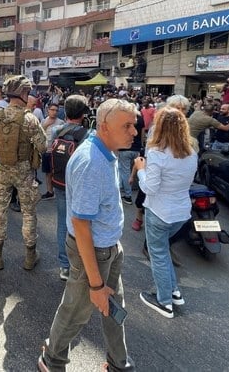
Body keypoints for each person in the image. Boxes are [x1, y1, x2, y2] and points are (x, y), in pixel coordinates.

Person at [38, 99, 137, 372]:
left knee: (113, 305)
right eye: (127, 126)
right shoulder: (91, 161)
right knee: (76, 312)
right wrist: (95, 283)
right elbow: (80, 224)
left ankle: (119, 362)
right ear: (104, 127)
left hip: (109, 247)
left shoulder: (107, 151)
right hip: (92, 251)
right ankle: (52, 360)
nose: (135, 132)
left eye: (134, 125)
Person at [133, 107, 197, 319]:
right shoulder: (191, 152)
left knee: (158, 254)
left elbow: (149, 188)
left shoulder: (158, 154)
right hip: (181, 212)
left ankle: (164, 302)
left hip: (159, 211)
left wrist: (141, 169)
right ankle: (173, 291)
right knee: (163, 251)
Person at [0, 75, 46, 271]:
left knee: (0, 212)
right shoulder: (30, 119)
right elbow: (43, 147)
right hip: (25, 173)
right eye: (28, 92)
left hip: (1, 171)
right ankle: (29, 256)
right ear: (23, 93)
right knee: (28, 213)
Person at [49, 95, 90, 281]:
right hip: (80, 185)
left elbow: (49, 153)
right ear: (83, 114)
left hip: (59, 182)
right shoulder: (87, 134)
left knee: (62, 224)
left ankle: (64, 266)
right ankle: (80, 262)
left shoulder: (56, 130)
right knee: (81, 224)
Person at [40, 103, 64, 201]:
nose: (54, 112)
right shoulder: (43, 121)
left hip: (57, 151)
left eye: (56, 110)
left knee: (58, 172)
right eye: (52, 110)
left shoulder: (61, 122)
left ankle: (59, 191)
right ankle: (50, 191)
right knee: (48, 172)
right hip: (47, 150)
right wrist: (45, 125)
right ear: (48, 110)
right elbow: (40, 134)